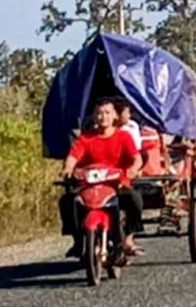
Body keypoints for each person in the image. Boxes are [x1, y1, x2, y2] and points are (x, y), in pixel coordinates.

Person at [60, 97, 145, 257]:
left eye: (107, 112)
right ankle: (77, 241)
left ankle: (128, 239)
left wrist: (133, 169)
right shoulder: (86, 138)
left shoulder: (124, 137)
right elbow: (73, 156)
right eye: (99, 113)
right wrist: (68, 168)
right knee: (67, 201)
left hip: (117, 184)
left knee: (135, 200)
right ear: (94, 116)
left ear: (115, 116)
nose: (103, 116)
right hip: (90, 185)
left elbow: (137, 158)